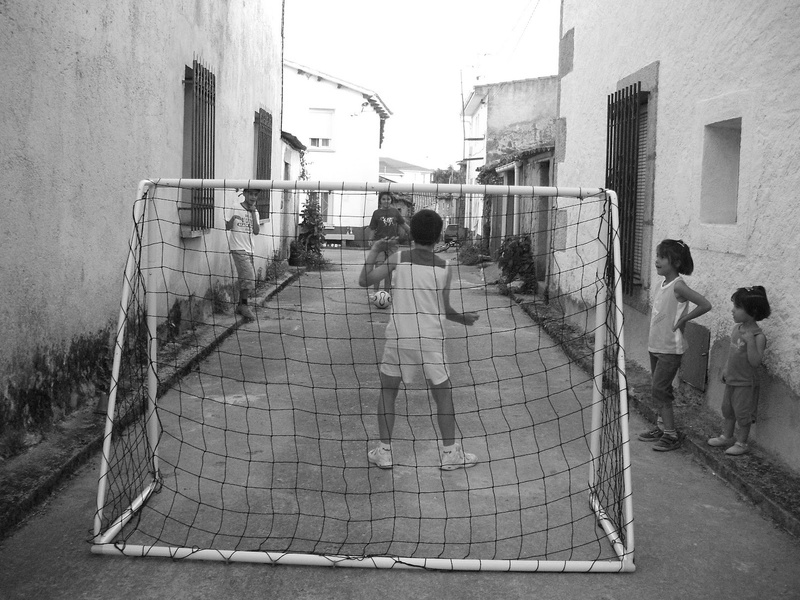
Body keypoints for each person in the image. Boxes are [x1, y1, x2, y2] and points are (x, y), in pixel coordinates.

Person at [358, 209, 479, 470]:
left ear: (411, 233)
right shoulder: (444, 268)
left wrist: (376, 248)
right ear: (438, 236)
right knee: (443, 396)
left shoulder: (399, 259)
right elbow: (445, 311)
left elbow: (364, 280)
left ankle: (384, 452)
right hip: (431, 341)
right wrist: (464, 318)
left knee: (388, 392)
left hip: (400, 339)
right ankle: (450, 455)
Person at [638, 239, 712, 452]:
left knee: (660, 389)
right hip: (656, 346)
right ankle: (661, 427)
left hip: (670, 348)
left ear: (676, 262)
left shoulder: (679, 285)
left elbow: (705, 304)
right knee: (660, 389)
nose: (657, 260)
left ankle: (671, 435)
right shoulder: (662, 283)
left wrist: (683, 320)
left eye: (662, 257)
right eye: (657, 256)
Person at [707, 286, 770, 456]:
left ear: (753, 310)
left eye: (737, 307)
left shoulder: (758, 336)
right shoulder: (737, 329)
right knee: (728, 409)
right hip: (732, 379)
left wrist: (750, 342)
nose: (732, 310)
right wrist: (726, 368)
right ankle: (727, 436)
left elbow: (755, 362)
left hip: (745, 384)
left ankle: (742, 443)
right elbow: (732, 352)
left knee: (743, 414)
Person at [225, 188, 261, 321]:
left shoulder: (255, 212)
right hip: (237, 247)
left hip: (249, 249)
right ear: (245, 194)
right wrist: (233, 218)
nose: (253, 197)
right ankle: (244, 306)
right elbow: (227, 227)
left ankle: (240, 305)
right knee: (249, 276)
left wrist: (252, 215)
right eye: (251, 194)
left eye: (255, 195)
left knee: (245, 277)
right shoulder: (235, 207)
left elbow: (256, 231)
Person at [367, 192, 409, 297]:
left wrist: (412, 232)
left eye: (388, 199)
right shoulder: (376, 213)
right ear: (380, 201)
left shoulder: (395, 212)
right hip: (379, 243)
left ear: (391, 201)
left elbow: (403, 224)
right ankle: (375, 292)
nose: (386, 201)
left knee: (388, 268)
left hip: (392, 244)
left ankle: (387, 293)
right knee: (378, 266)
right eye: (384, 199)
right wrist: (370, 239)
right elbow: (372, 228)